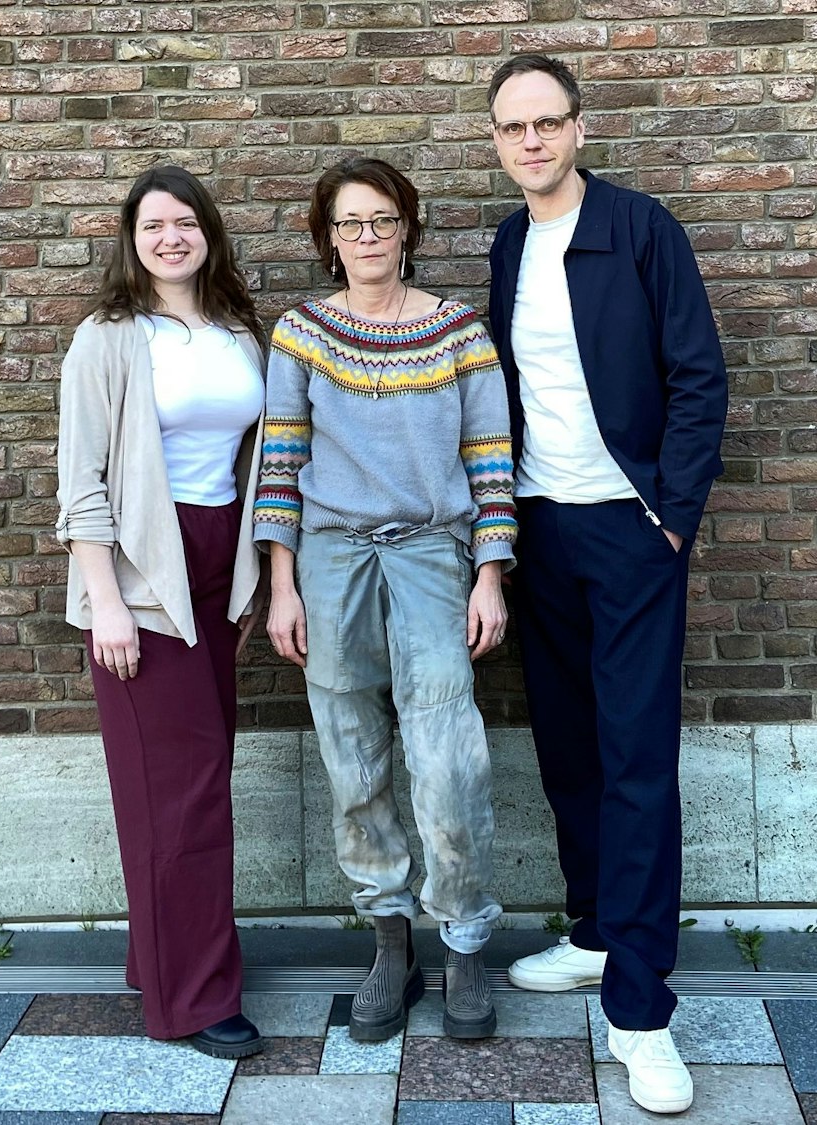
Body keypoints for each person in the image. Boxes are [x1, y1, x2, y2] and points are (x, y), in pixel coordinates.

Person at [483, 54, 728, 1115]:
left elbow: (697, 375)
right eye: (511, 128)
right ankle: (592, 933)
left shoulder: (639, 230)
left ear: (578, 129)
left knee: (635, 760)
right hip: (538, 533)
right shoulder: (505, 243)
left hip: (630, 535)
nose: (530, 141)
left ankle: (639, 1012)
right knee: (569, 750)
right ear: (495, 143)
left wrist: (670, 516)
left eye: (547, 122)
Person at [254, 157, 515, 1041]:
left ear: (410, 225)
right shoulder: (300, 332)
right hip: (329, 562)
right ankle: (390, 937)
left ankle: (466, 940)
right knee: (353, 759)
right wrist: (280, 582)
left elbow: (489, 459)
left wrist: (490, 571)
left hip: (432, 558)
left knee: (450, 759)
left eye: (382, 220)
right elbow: (280, 462)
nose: (367, 237)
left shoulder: (458, 332)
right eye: (349, 223)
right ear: (328, 238)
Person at [54, 165, 269, 1059]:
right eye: (154, 225)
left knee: (191, 776)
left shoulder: (236, 334)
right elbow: (82, 485)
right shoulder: (106, 339)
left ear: (209, 234)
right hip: (144, 581)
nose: (172, 236)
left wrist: (257, 575)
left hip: (219, 572)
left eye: (186, 222)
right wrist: (107, 604)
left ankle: (160, 956)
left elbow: (256, 457)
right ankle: (194, 999)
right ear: (131, 240)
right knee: (181, 795)